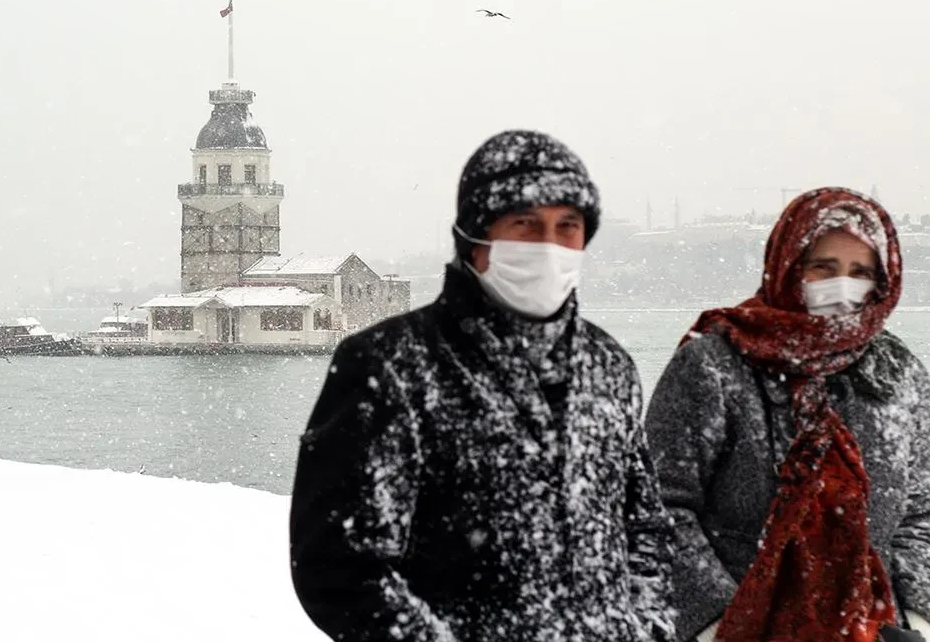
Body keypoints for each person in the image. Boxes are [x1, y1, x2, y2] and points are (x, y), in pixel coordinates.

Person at [288, 130, 676, 641]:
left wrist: (645, 626)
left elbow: (644, 526)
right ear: (476, 238)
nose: (550, 246)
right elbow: (339, 566)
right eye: (525, 224)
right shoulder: (391, 367)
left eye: (568, 226)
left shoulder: (609, 366)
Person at [646, 188, 930, 642]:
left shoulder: (899, 375)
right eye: (823, 267)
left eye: (861, 272)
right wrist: (720, 624)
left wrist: (913, 620)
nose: (843, 285)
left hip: (870, 631)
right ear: (789, 265)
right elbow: (658, 505)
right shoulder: (716, 364)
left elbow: (922, 511)